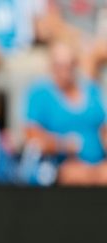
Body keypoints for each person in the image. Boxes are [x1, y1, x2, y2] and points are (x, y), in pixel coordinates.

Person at [24, 41, 107, 186]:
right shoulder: (40, 94)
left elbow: (103, 128)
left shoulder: (92, 91)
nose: (64, 72)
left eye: (69, 65)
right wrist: (63, 145)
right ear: (51, 66)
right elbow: (33, 137)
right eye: (59, 66)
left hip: (98, 166)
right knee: (76, 175)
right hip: (59, 166)